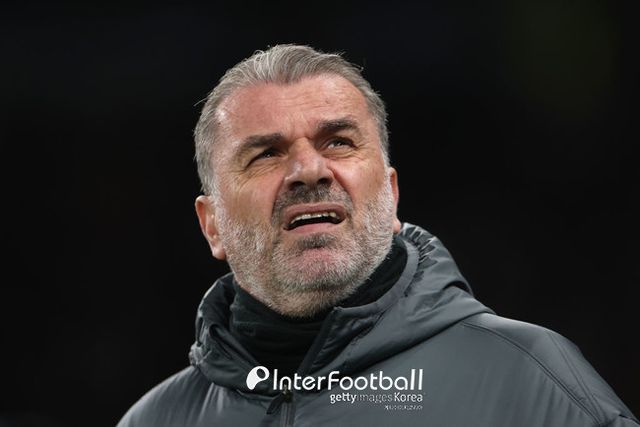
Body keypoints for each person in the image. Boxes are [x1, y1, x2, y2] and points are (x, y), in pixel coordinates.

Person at [117, 44, 638, 427]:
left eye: (338, 142)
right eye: (266, 154)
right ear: (212, 225)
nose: (308, 170)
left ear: (390, 195)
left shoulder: (533, 383)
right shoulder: (156, 420)